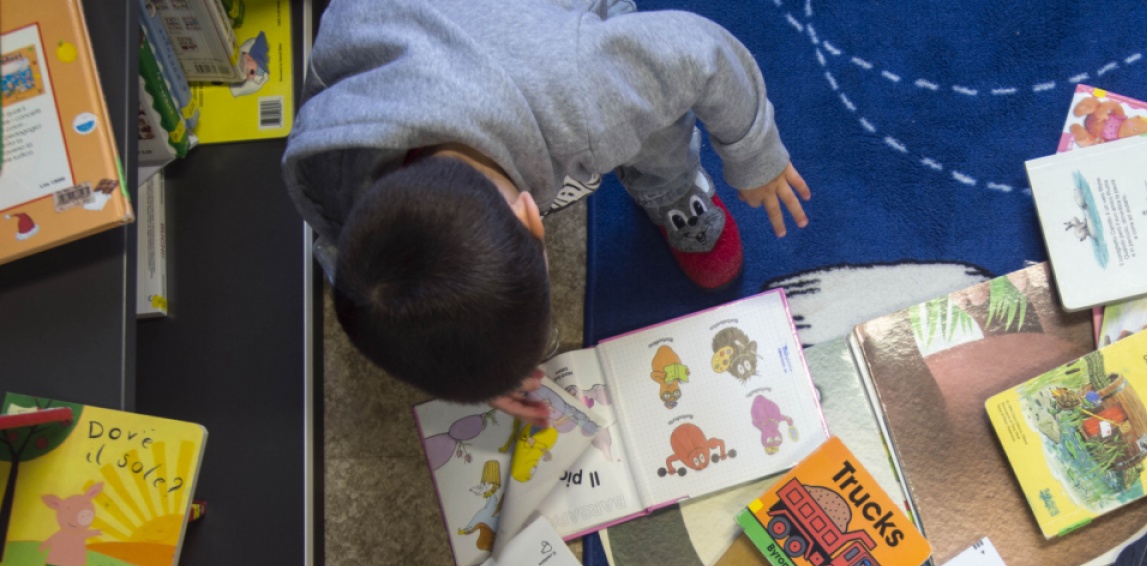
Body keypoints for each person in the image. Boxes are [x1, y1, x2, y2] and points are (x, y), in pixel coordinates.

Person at [281, 0, 811, 425]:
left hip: (561, 37)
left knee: (644, 121)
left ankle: (669, 186)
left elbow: (701, 51)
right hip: (441, 43)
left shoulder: (585, 90)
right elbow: (362, 273)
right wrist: (478, 369)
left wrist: (754, 155)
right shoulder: (327, 163)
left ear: (534, 216)